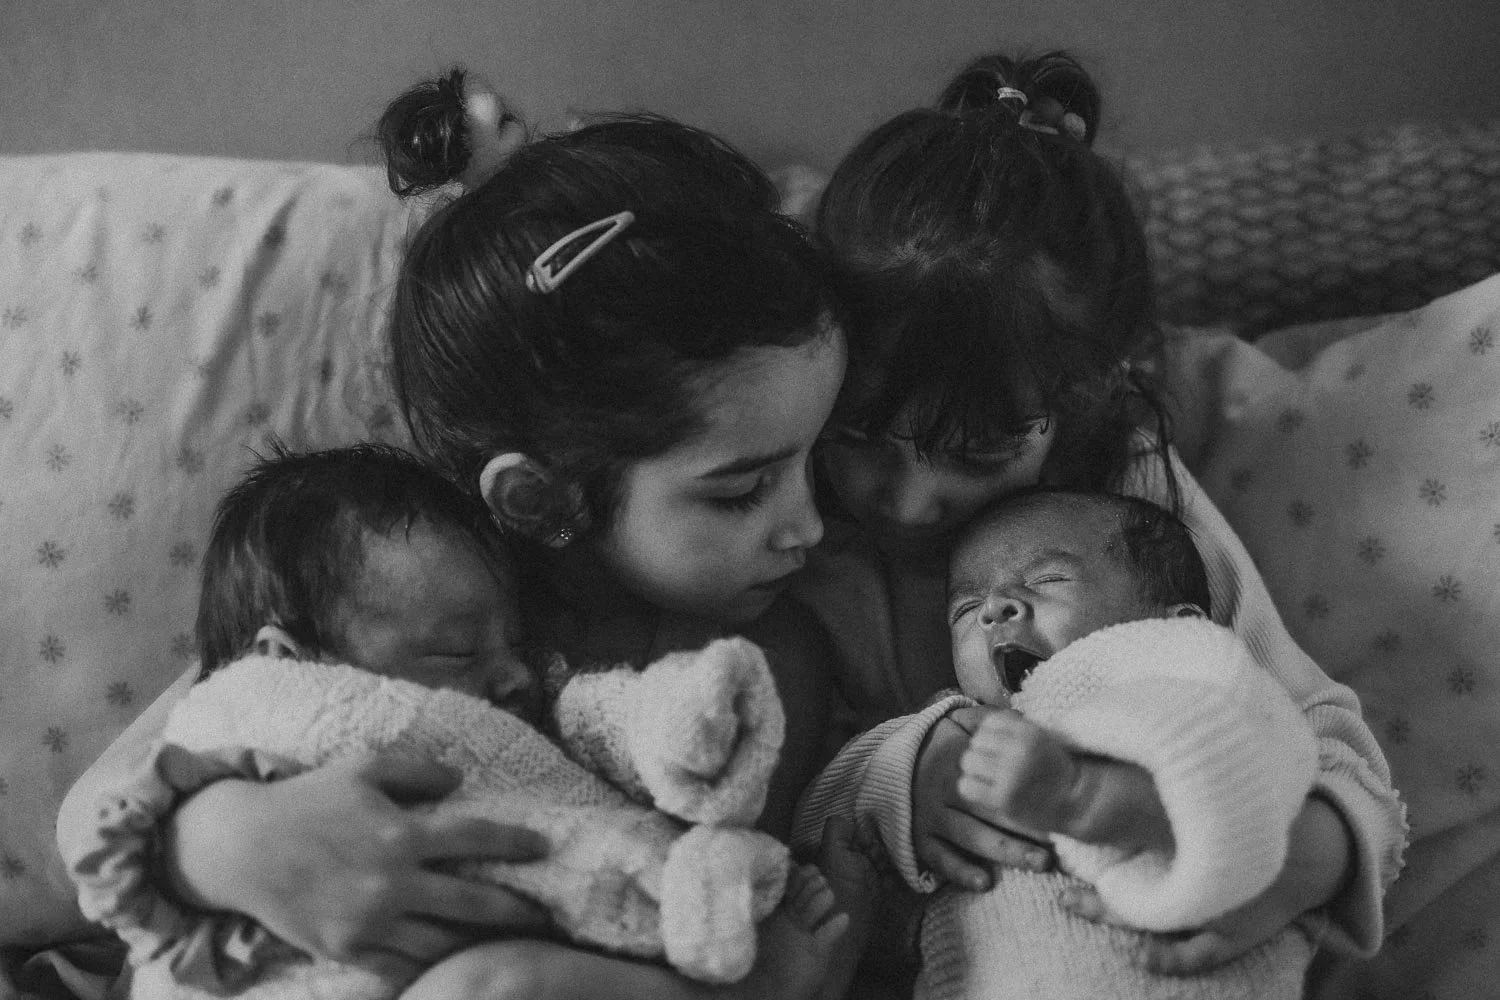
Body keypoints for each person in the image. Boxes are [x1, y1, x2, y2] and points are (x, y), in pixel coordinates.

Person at [57, 70, 867, 1000]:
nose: (807, 524)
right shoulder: (394, 598)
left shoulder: (785, 653)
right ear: (538, 501)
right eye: (742, 491)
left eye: (819, 455)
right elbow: (101, 810)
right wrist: (235, 844)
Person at [789, 48, 1406, 993]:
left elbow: (1327, 747)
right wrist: (902, 779)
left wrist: (1294, 866)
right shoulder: (792, 520)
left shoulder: (1123, 501)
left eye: (981, 449)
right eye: (861, 432)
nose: (907, 502)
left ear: (1082, 397)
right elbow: (774, 795)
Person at [68, 442, 844, 998]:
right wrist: (224, 839)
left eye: (513, 641)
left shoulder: (731, 659)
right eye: (451, 652)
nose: (510, 673)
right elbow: (104, 829)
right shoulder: (249, 707)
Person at [804, 486, 1322, 999]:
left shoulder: (1190, 674)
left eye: (1048, 579)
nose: (995, 608)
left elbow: (1254, 774)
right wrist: (906, 772)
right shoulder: (954, 728)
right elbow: (812, 814)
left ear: (1176, 623)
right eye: (965, 609)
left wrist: (1082, 794)